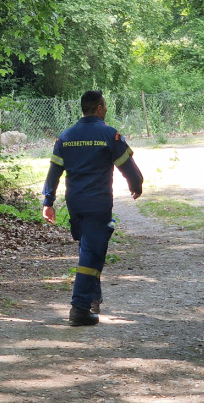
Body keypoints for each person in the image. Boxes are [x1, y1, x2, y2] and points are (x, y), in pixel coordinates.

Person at [42, 90, 143, 327]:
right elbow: (127, 166)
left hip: (75, 203)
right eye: (105, 106)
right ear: (98, 108)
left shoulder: (65, 136)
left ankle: (93, 299)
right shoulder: (109, 134)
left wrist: (48, 201)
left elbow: (54, 172)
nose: (106, 110)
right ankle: (79, 308)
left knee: (89, 248)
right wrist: (136, 184)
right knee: (91, 253)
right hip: (98, 203)